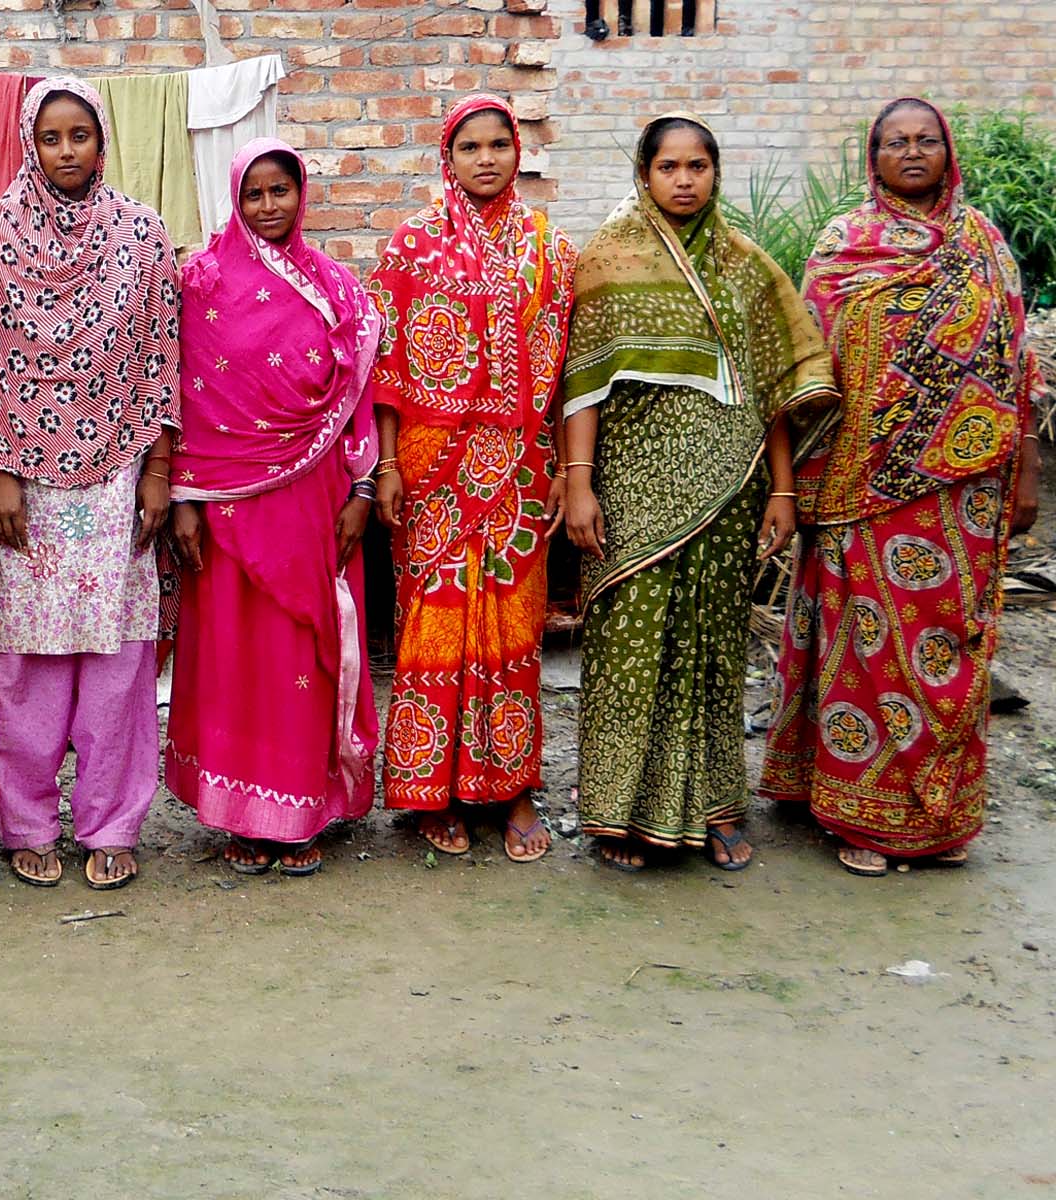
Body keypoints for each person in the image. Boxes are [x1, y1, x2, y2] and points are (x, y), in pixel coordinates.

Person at [761, 98, 1046, 876]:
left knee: (947, 645)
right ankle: (865, 815)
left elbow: (1019, 364)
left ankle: (939, 816)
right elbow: (805, 370)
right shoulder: (844, 245)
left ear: (946, 151)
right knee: (869, 645)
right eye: (896, 142)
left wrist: (1026, 466)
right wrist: (797, 482)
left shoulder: (985, 244)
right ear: (873, 156)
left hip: (966, 491)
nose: (912, 153)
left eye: (926, 141)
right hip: (863, 487)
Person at [562, 113, 839, 872]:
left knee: (711, 652)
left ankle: (714, 808)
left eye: (698, 166)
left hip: (729, 488)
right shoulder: (608, 262)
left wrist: (782, 491)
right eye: (668, 167)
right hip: (630, 489)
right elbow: (581, 388)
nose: (684, 180)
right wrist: (579, 484)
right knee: (630, 649)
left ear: (715, 173)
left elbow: (771, 393)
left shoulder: (748, 268)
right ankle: (620, 816)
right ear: (644, 176)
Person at [0, 78, 179, 891]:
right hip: (23, 480)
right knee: (21, 665)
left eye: (79, 135)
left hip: (119, 474)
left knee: (118, 662)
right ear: (30, 141)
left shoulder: (143, 232)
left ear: (102, 140)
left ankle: (112, 823)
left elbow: (164, 353)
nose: (65, 151)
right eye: (50, 137)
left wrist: (158, 468)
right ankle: (25, 823)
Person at [368, 94, 578, 864]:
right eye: (469, 147)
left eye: (498, 145)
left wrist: (562, 466)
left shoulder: (549, 250)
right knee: (435, 625)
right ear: (447, 157)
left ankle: (514, 785)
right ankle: (436, 790)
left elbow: (563, 375)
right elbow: (386, 370)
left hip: (520, 469)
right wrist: (388, 465)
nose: (486, 159)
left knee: (515, 626)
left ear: (516, 150)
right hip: (432, 474)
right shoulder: (412, 245)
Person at [164, 139, 380, 877]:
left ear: (301, 192)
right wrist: (186, 501)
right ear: (234, 196)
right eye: (253, 192)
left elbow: (360, 405)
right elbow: (181, 397)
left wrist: (361, 490)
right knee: (236, 657)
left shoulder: (340, 291)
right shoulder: (201, 282)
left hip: (316, 503)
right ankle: (239, 813)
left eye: (280, 190)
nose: (267, 205)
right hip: (223, 509)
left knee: (303, 654)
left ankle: (303, 810)